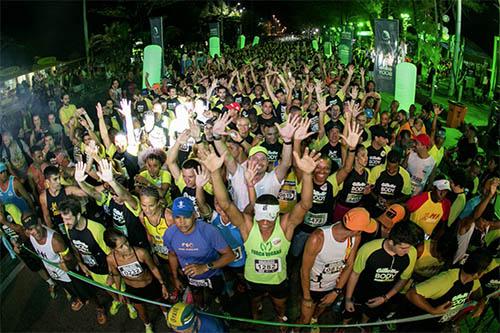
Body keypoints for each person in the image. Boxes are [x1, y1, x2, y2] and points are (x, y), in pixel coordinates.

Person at [205, 142, 319, 324]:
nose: (265, 222)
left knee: (280, 306)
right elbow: (226, 204)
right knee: (255, 302)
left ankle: (280, 319)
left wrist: (307, 174)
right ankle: (256, 316)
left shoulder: (285, 227)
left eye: (270, 216)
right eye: (262, 216)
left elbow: (305, 205)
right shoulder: (248, 226)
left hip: (278, 281)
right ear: (256, 212)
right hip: (253, 280)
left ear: (278, 214)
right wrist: (214, 173)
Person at [60, 195, 135, 324]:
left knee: (121, 289)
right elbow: (74, 245)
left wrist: (111, 274)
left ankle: (129, 304)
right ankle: (116, 300)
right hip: (92, 269)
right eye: (63, 218)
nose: (65, 222)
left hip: (107, 269)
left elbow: (111, 254)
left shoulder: (96, 229)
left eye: (68, 219)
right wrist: (80, 263)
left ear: (78, 215)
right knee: (106, 288)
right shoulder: (69, 228)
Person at [299, 207, 376, 326]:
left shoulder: (355, 238)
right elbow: (305, 270)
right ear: (356, 230)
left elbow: (349, 265)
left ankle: (314, 319)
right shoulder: (318, 238)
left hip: (333, 285)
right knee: (304, 320)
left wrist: (336, 291)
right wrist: (306, 297)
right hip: (312, 286)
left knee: (320, 310)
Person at [163, 197, 235, 308]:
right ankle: (201, 308)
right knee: (196, 295)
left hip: (213, 275)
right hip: (190, 277)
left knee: (221, 295)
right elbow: (172, 255)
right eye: (177, 217)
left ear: (194, 215)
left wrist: (205, 267)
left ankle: (224, 311)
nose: (182, 222)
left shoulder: (209, 231)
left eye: (186, 217)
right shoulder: (169, 234)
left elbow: (230, 256)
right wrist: (175, 278)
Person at [344, 221, 422, 323]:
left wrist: (385, 298)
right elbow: (355, 274)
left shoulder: (412, 253)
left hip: (382, 295)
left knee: (368, 315)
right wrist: (348, 299)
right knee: (348, 314)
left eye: (410, 247)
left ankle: (362, 326)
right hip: (359, 292)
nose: (407, 251)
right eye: (403, 248)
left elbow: (404, 278)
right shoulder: (368, 249)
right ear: (391, 242)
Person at [405, 249, 491, 331]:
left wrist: (481, 303)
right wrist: (433, 310)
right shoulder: (446, 279)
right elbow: (411, 294)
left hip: (436, 326)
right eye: (486, 269)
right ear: (477, 272)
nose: (487, 272)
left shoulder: (473, 282)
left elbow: (479, 295)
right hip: (418, 325)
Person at [23, 214, 92, 312]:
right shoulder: (31, 237)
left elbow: (71, 260)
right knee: (69, 290)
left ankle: (88, 301)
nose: (35, 231)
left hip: (68, 275)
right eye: (30, 229)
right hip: (55, 275)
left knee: (83, 292)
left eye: (36, 226)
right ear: (27, 231)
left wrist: (67, 265)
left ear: (39, 221)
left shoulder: (55, 241)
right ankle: (78, 297)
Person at [104, 228, 169, 333]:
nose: (127, 247)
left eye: (126, 242)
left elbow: (153, 268)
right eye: (121, 247)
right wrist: (120, 292)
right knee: (141, 310)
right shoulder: (111, 259)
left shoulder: (141, 253)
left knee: (160, 301)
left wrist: (162, 284)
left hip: (150, 285)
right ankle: (147, 325)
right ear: (113, 249)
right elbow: (116, 275)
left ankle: (167, 316)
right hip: (133, 289)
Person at [39, 165, 86, 236]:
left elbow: (84, 193)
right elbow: (46, 216)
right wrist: (53, 233)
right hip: (59, 226)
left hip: (74, 223)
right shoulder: (43, 197)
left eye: (59, 178)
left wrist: (79, 181)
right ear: (47, 181)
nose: (59, 181)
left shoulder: (67, 190)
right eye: (55, 179)